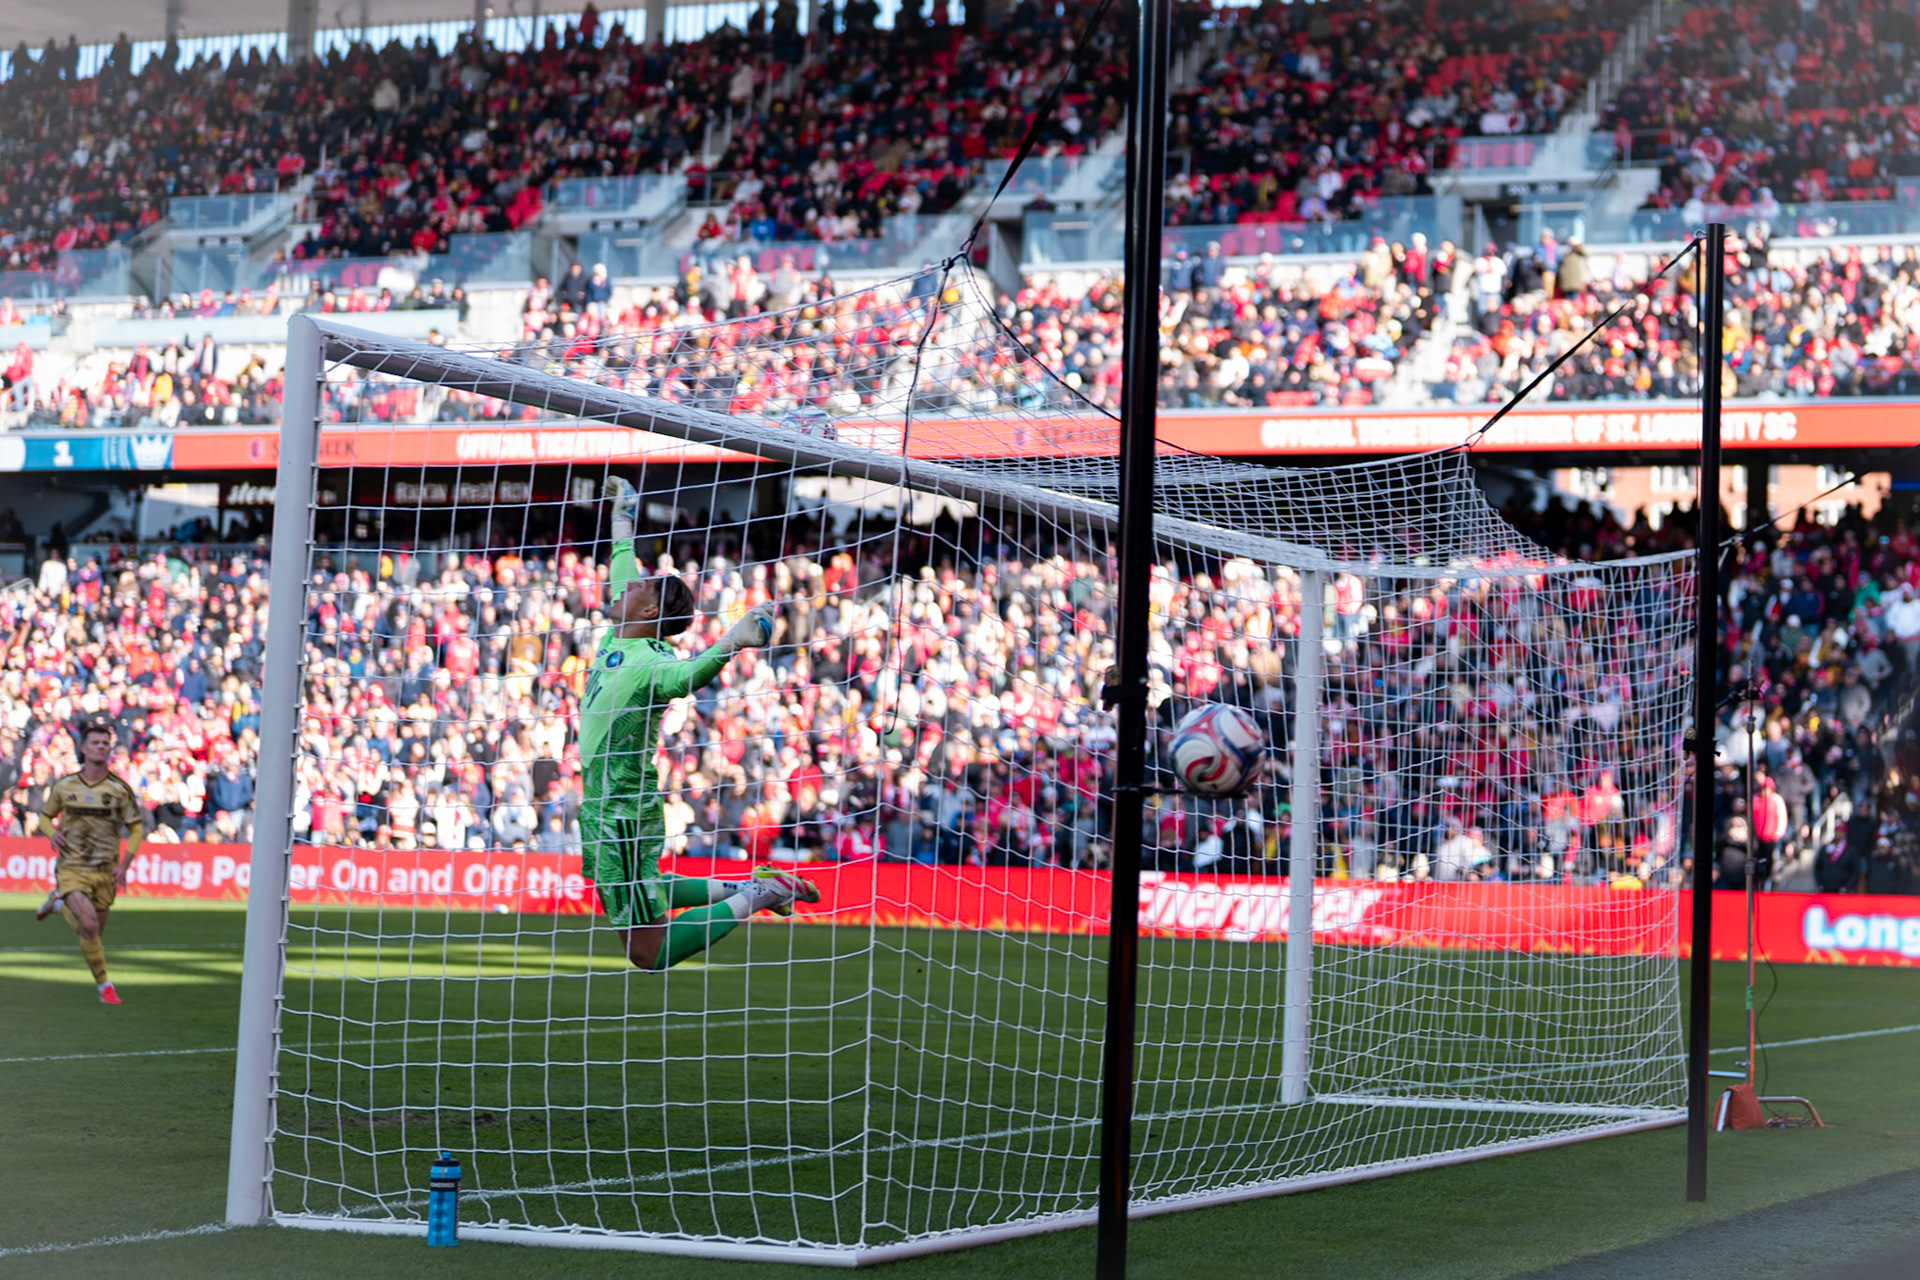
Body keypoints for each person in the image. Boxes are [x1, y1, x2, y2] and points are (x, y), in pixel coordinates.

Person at [581, 478, 819, 971]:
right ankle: (753, 887)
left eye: (639, 586)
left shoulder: (650, 662)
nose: (624, 584)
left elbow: (689, 676)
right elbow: (622, 562)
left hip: (621, 810)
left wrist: (733, 639)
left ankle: (761, 893)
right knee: (644, 886)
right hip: (605, 805)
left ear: (648, 610)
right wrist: (623, 515)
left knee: (647, 954)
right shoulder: (616, 639)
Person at [33, 719, 144, 1004]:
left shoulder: (120, 790)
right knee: (90, 926)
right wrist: (52, 834)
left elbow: (136, 828)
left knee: (90, 930)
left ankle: (57, 904)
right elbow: (45, 817)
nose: (101, 747)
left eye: (105, 743)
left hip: (104, 870)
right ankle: (104, 987)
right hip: (72, 867)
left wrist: (125, 865)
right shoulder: (65, 785)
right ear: (83, 748)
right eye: (95, 742)